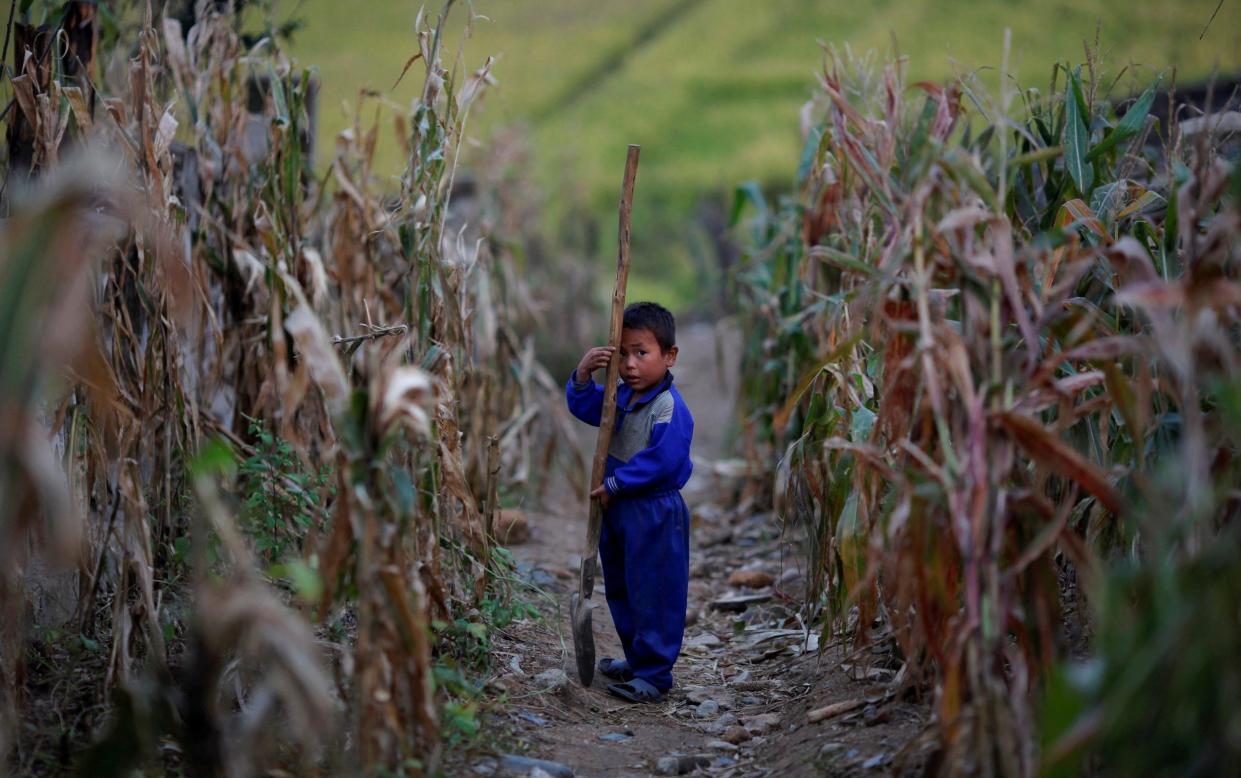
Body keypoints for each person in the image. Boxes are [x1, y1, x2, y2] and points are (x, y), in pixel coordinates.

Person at [565, 301, 694, 703]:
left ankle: (655, 674)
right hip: (618, 510)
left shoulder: (669, 407)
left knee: (654, 590)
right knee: (623, 586)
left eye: (641, 352)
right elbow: (590, 410)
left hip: (654, 511)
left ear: (669, 355)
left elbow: (664, 460)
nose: (630, 364)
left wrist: (619, 483)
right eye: (622, 353)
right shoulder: (619, 398)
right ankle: (637, 660)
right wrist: (584, 376)